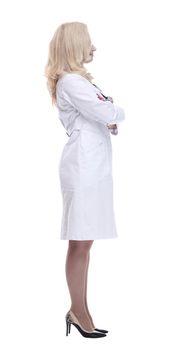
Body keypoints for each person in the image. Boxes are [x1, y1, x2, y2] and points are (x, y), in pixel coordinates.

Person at [45, 21, 125, 338]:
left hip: (92, 167)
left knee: (85, 240)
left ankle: (81, 311)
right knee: (80, 241)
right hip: (83, 168)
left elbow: (104, 118)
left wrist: (109, 115)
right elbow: (109, 114)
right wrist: (115, 112)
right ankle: (78, 312)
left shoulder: (79, 82)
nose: (94, 48)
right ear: (75, 46)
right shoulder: (71, 82)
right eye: (89, 43)